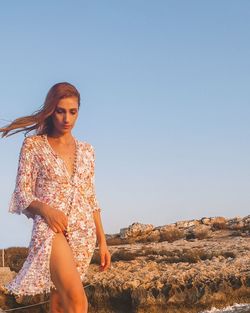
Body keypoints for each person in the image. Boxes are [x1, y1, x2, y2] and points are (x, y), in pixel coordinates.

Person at [0, 82, 111, 313]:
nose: (66, 118)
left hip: (83, 234)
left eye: (73, 111)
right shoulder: (33, 146)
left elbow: (91, 196)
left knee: (60, 305)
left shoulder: (88, 151)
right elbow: (22, 193)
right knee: (78, 303)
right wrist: (47, 211)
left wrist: (103, 241)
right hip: (51, 229)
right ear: (51, 110)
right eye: (60, 111)